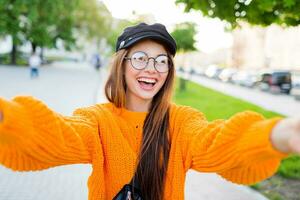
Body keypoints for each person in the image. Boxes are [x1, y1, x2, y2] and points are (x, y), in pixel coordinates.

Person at [0, 22, 300, 200]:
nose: (151, 69)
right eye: (141, 57)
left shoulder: (182, 122)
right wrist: (6, 118)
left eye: (161, 61)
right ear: (122, 64)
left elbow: (218, 142)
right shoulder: (97, 120)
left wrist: (277, 135)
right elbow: (55, 136)